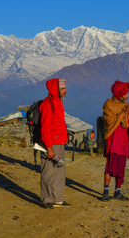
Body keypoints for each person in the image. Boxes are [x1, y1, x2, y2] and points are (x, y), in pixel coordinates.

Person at [102, 80, 129, 201]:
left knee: (121, 166)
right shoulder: (108, 105)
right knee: (110, 165)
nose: (127, 96)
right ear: (118, 94)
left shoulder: (125, 104)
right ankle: (105, 191)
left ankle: (117, 191)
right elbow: (109, 122)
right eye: (125, 94)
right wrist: (124, 113)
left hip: (123, 139)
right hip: (113, 139)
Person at [39, 78, 70, 209]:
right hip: (51, 143)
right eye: (62, 88)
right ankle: (47, 199)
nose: (65, 90)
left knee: (60, 170)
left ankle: (58, 198)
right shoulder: (47, 104)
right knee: (48, 170)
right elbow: (45, 127)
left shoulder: (59, 102)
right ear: (55, 89)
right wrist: (49, 147)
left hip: (60, 142)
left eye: (65, 88)